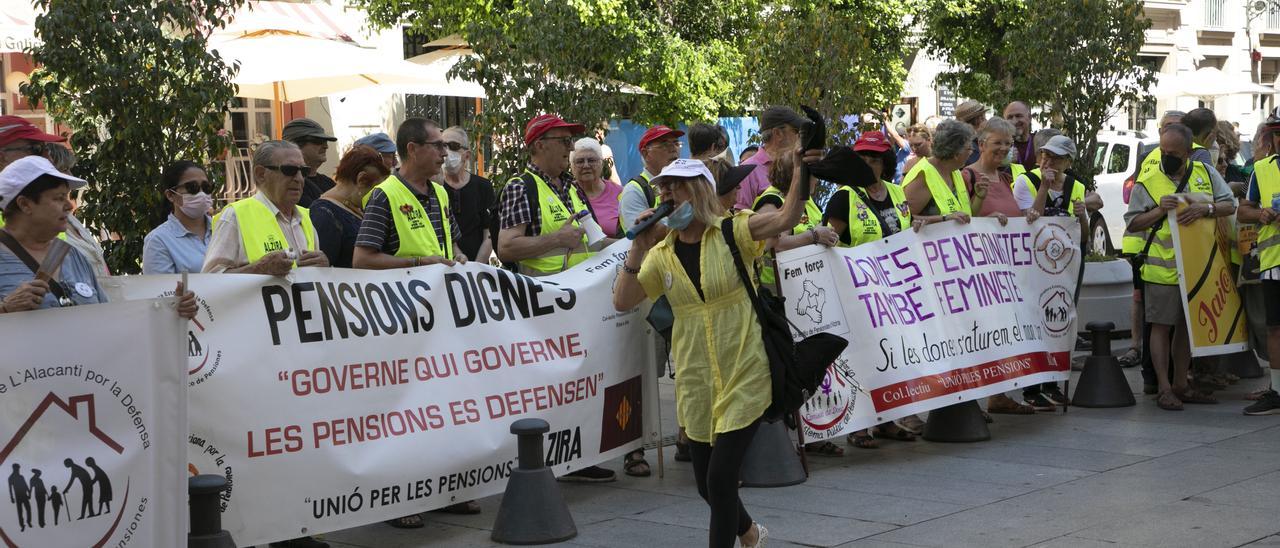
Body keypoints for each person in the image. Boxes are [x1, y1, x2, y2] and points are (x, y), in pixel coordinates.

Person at [612, 148, 821, 548]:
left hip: (743, 367)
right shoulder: (661, 254)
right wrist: (638, 247)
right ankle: (749, 531)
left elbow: (785, 218)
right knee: (708, 487)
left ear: (700, 192)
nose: (667, 196)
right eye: (663, 189)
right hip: (696, 378)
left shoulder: (732, 231)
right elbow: (623, 300)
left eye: (676, 188)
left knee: (722, 479)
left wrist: (799, 171)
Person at [495, 114, 623, 481]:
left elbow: (595, 239)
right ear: (539, 146)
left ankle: (577, 458)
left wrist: (637, 243)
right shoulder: (522, 187)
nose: (570, 148)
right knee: (549, 387)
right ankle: (546, 459)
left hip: (579, 306)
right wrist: (555, 240)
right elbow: (506, 247)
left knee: (578, 386)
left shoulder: (569, 186)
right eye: (563, 141)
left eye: (572, 141)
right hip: (544, 307)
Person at [823, 131, 937, 444]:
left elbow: (904, 228)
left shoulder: (896, 193)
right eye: (862, 158)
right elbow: (829, 240)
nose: (868, 164)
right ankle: (858, 427)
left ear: (885, 162)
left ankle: (887, 420)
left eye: (874, 158)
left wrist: (922, 224)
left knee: (891, 357)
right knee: (861, 359)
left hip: (896, 295)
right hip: (857, 295)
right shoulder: (844, 196)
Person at [0, 156, 196, 317]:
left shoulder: (73, 256)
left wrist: (172, 310)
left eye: (67, 197)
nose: (69, 206)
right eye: (58, 198)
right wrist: (5, 308)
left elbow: (108, 322)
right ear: (25, 204)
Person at [1124, 123, 1234, 411]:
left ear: (1188, 153)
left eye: (1173, 152)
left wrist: (1204, 208)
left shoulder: (1206, 174)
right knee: (1160, 327)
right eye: (1163, 151)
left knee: (1186, 328)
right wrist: (1159, 209)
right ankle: (1163, 388)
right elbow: (1132, 223)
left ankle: (1181, 384)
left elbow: (1230, 205)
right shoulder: (1147, 181)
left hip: (1196, 268)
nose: (1166, 156)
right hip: (1161, 270)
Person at [1013, 135, 1093, 409]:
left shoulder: (1076, 187)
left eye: (1056, 158)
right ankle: (1031, 387)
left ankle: (1053, 382)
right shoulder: (1026, 181)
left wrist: (1082, 215)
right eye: (1046, 155)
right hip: (1034, 265)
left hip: (1064, 267)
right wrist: (1044, 187)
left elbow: (1083, 235)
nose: (1049, 161)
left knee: (1060, 320)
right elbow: (1027, 220)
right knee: (1034, 320)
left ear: (1068, 162)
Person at [354, 117, 465, 270]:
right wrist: (417, 263)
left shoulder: (440, 193)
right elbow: (362, 260)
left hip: (440, 291)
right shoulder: (383, 195)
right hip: (405, 292)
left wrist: (458, 256)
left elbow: (452, 245)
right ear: (412, 149)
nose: (445, 153)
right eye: (438, 145)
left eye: (445, 146)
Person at [203, 141, 328, 274]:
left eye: (304, 171)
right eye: (289, 170)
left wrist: (323, 268)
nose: (299, 178)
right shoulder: (236, 215)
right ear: (260, 174)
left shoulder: (306, 217)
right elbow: (211, 281)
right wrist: (259, 268)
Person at [1238, 111, 1280, 414]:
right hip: (1273, 263)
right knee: (1275, 329)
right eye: (1278, 134)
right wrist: (1260, 214)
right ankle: (1277, 391)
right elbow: (1243, 211)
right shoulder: (1261, 170)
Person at [309, 146, 388, 267]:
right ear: (361, 180)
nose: (378, 196)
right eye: (376, 189)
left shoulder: (352, 207)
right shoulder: (324, 214)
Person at [44, 145, 108, 276]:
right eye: (64, 169)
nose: (70, 175)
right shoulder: (40, 225)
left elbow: (98, 262)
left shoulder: (70, 219)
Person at [143, 161, 213, 274]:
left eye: (206, 187)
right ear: (170, 195)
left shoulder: (223, 228)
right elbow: (161, 289)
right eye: (192, 187)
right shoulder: (158, 240)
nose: (202, 194)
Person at [439, 126, 496, 264]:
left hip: (477, 269)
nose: (447, 151)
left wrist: (475, 268)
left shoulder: (483, 186)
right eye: (442, 145)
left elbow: (489, 233)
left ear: (467, 155)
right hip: (443, 268)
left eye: (453, 146)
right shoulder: (434, 188)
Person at [736, 106, 808, 210]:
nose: (800, 137)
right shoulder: (747, 171)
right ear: (778, 133)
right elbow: (741, 220)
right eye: (797, 131)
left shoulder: (793, 165)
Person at [904, 119, 974, 222]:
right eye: (969, 148)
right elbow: (904, 218)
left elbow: (966, 213)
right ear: (956, 154)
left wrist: (988, 220)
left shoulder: (955, 171)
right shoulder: (923, 174)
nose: (971, 152)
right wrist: (944, 218)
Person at [620, 124, 684, 231]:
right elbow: (642, 239)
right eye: (665, 144)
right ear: (645, 154)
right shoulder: (633, 190)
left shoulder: (685, 182)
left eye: (676, 143)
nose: (673, 148)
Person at [572, 138, 624, 237]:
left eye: (591, 160)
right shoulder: (564, 193)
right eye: (580, 161)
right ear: (572, 166)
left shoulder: (620, 193)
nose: (586, 165)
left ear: (601, 163)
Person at [282, 118, 338, 208]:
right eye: (318, 141)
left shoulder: (328, 183)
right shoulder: (290, 184)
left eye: (326, 141)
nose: (326, 146)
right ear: (295, 145)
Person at [1004, 101, 1036, 174]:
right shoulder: (1000, 145)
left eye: (1018, 116)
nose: (1014, 121)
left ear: (1029, 118)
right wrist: (1004, 163)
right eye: (1010, 117)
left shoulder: (1039, 142)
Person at [955, 100, 986, 165]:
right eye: (984, 118)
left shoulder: (959, 142)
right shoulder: (970, 145)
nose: (986, 120)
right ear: (979, 119)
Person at [8, 463, 29, 531]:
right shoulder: (11, 477)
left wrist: (29, 492)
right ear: (14, 468)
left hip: (24, 494)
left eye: (18, 468)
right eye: (17, 468)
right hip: (18, 496)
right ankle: (22, 525)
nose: (18, 470)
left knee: (28, 509)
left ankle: (28, 521)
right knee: (20, 511)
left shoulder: (21, 477)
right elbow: (10, 489)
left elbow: (25, 485)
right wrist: (11, 497)